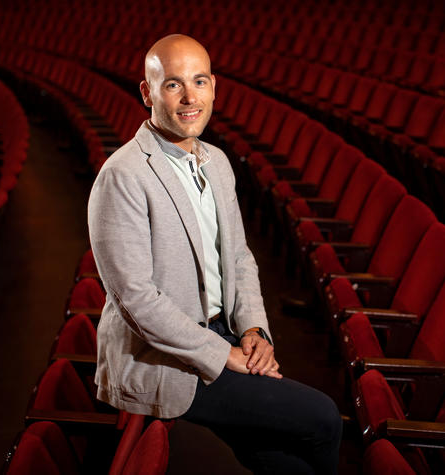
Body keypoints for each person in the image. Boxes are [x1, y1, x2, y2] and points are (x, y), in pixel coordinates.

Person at [87, 34, 341, 474]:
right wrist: (223, 353)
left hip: (225, 334)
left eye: (199, 82)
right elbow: (136, 299)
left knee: (285, 461)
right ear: (147, 92)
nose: (190, 97)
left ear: (214, 87)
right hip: (163, 357)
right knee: (321, 419)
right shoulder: (123, 176)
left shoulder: (217, 163)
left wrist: (255, 331)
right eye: (173, 84)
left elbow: (240, 257)